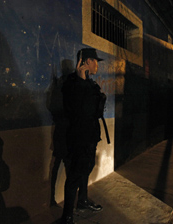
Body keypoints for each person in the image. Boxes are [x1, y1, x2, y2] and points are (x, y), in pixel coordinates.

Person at [60, 48, 106, 224]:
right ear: (86, 61)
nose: (97, 65)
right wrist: (80, 81)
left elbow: (93, 109)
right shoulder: (72, 84)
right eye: (95, 61)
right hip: (78, 138)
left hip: (90, 136)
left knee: (86, 168)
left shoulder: (90, 84)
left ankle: (83, 201)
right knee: (74, 174)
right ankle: (67, 216)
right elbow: (77, 110)